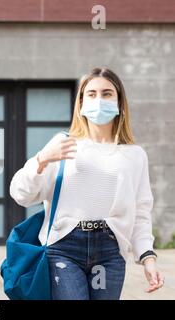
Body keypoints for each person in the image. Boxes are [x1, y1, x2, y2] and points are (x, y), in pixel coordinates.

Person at [9, 67, 164, 300]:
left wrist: (147, 258)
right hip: (64, 249)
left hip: (110, 251)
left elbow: (141, 212)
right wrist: (42, 160)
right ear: (80, 104)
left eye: (107, 93)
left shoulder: (135, 155)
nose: (99, 99)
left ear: (120, 102)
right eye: (91, 94)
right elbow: (21, 194)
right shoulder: (63, 144)